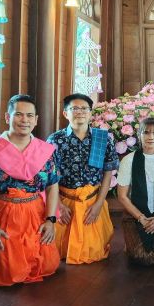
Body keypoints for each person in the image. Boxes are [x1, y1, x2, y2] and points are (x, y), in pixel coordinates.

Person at [0, 94, 60, 286]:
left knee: (48, 265)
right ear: (7, 117)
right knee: (6, 271)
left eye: (30, 115)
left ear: (36, 120)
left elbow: (52, 185)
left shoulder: (46, 151)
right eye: (18, 114)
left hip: (35, 215)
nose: (24, 120)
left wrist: (50, 219)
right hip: (2, 217)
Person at [47, 93, 119, 264]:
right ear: (65, 113)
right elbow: (49, 176)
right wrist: (59, 206)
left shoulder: (102, 138)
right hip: (65, 204)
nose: (80, 112)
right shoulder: (55, 140)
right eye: (74, 108)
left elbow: (108, 172)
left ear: (90, 112)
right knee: (59, 250)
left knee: (94, 251)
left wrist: (99, 203)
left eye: (84, 108)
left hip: (92, 203)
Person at [117, 117, 154, 265]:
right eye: (146, 132)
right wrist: (141, 218)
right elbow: (122, 196)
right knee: (141, 257)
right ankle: (130, 240)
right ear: (139, 135)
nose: (151, 137)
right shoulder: (129, 160)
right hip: (136, 215)